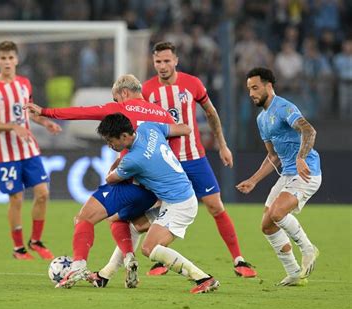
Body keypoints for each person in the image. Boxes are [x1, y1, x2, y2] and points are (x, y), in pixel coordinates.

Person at [25, 74, 181, 289]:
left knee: (84, 218)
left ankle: (78, 266)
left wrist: (45, 111)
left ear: (124, 93)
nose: (116, 103)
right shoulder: (162, 114)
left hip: (132, 182)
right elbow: (174, 142)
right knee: (119, 220)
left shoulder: (122, 109)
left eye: (116, 99)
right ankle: (128, 259)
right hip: (156, 187)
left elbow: (81, 113)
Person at [140, 41, 256, 277]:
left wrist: (223, 146)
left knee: (215, 206)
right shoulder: (147, 90)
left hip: (194, 157)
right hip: (166, 163)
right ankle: (161, 256)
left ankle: (239, 260)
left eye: (166, 61)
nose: (162, 66)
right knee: (157, 209)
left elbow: (211, 113)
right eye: (158, 62)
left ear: (176, 61)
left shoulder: (192, 83)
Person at [98, 113, 220, 294]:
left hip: (179, 204)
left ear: (124, 136)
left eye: (110, 140)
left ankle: (203, 278)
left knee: (149, 248)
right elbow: (184, 129)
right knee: (134, 225)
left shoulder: (133, 159)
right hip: (175, 197)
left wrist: (117, 162)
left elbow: (110, 179)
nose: (110, 145)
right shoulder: (149, 128)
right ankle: (105, 275)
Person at [237, 67, 321, 286]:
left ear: (269, 86)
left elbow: (309, 131)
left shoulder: (284, 107)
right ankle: (294, 272)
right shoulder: (261, 118)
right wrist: (253, 180)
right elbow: (273, 156)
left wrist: (301, 157)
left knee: (277, 212)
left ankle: (308, 248)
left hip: (307, 171)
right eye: (249, 89)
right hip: (287, 174)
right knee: (267, 225)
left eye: (255, 88)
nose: (251, 93)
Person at [0, 41, 61, 260]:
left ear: (17, 59)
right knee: (16, 199)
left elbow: (30, 112)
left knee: (43, 194)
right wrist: (13, 127)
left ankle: (36, 241)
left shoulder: (24, 83)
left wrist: (46, 123)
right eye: (3, 58)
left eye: (10, 57)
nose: (7, 62)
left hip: (29, 149)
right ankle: (18, 249)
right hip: (6, 154)